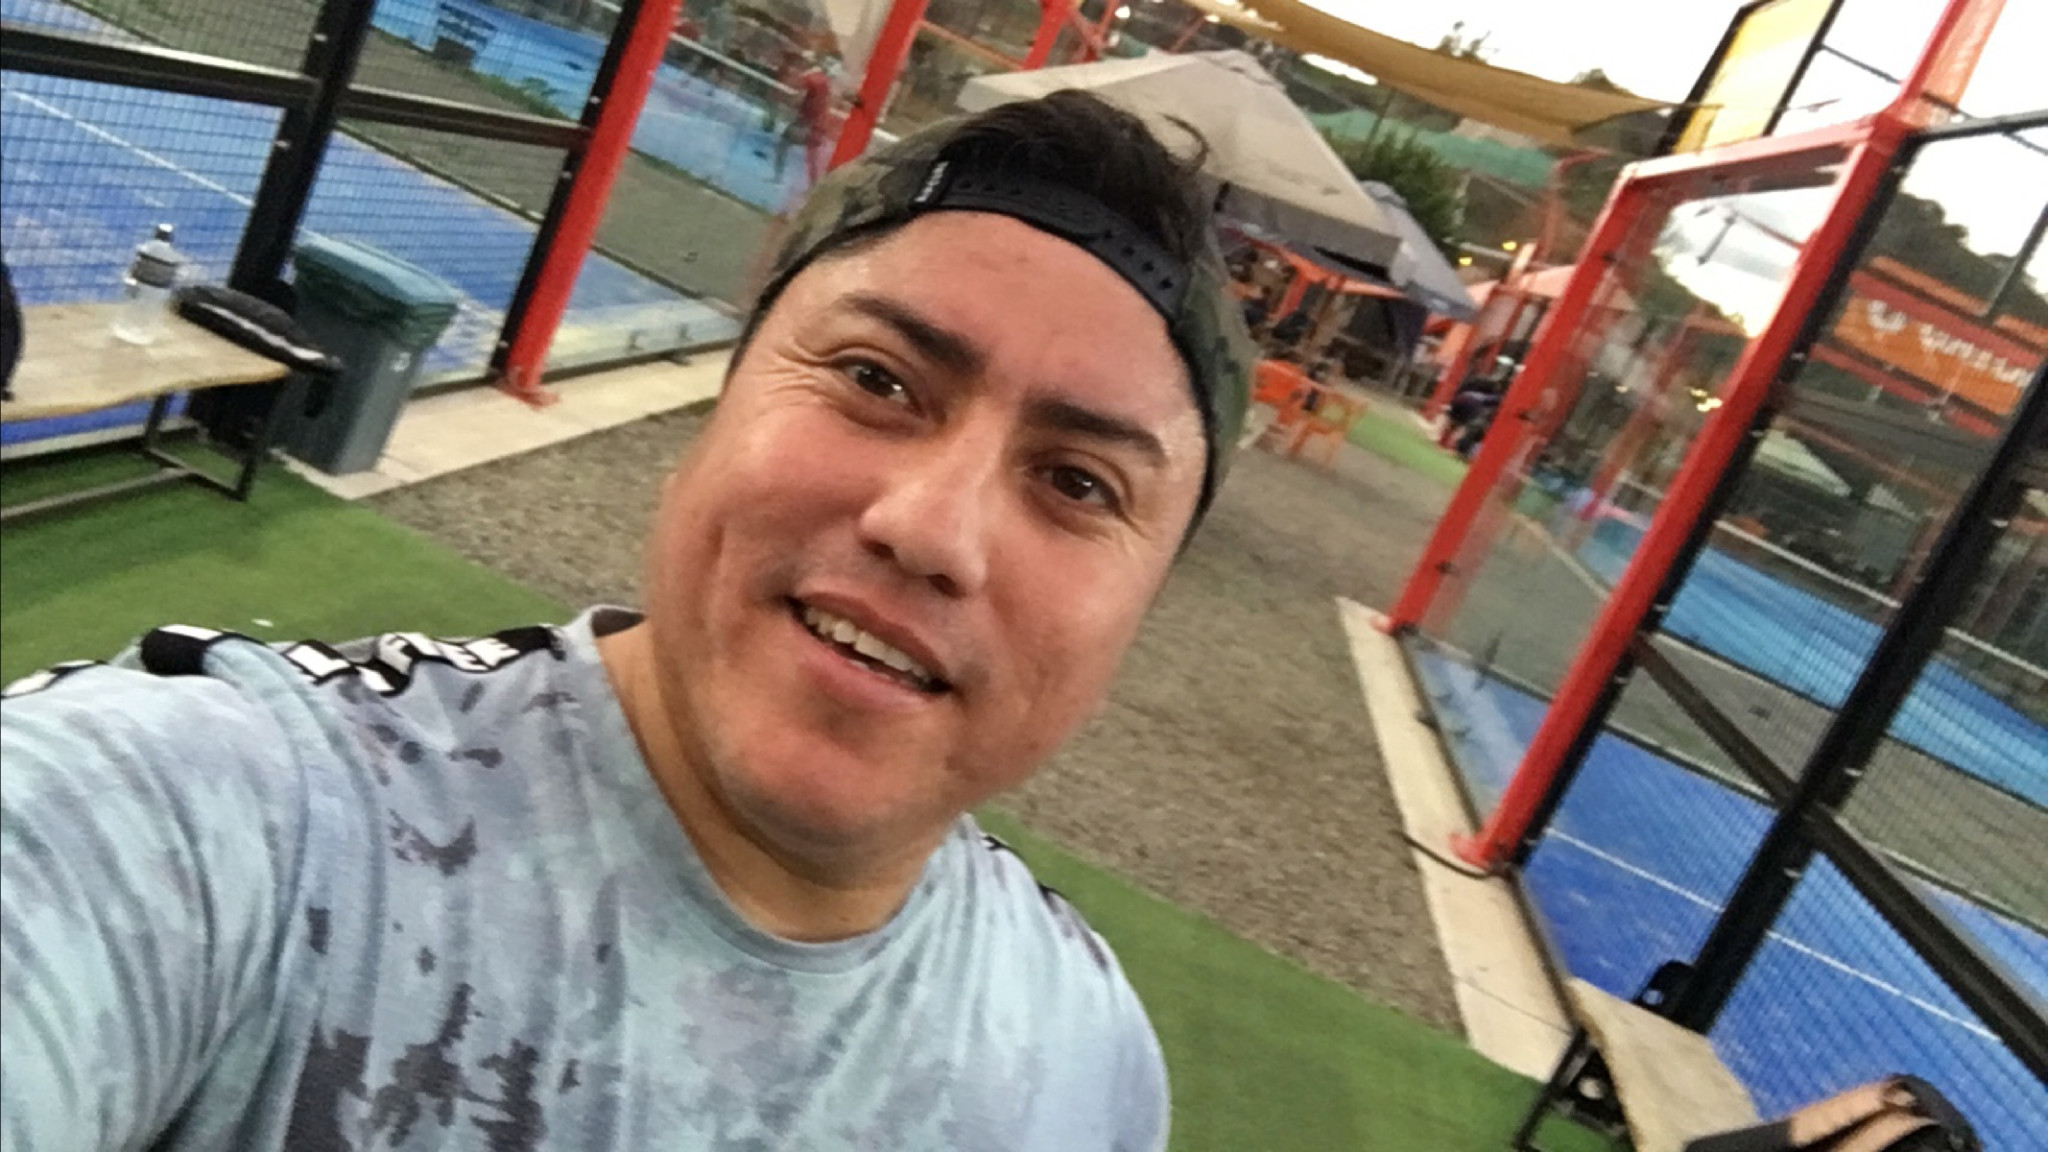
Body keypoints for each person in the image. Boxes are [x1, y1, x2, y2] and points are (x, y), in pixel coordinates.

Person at [0, 91, 1256, 1150]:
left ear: (1136, 614)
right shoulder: (218, 815)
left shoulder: (1089, 1060)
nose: (931, 530)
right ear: (716, 407)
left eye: (1077, 484)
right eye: (876, 380)